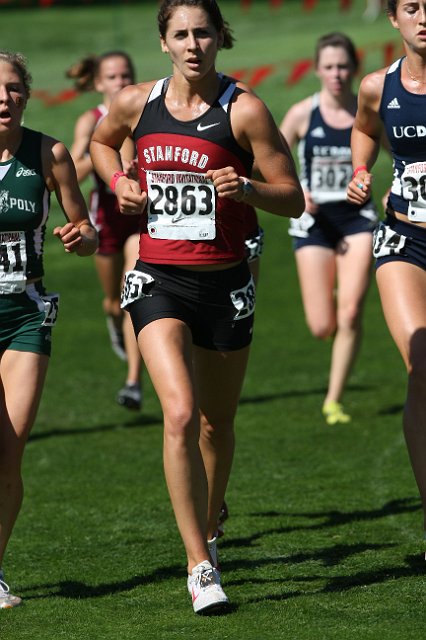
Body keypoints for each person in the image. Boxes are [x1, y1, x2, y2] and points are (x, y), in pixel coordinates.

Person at [90, 0, 304, 614]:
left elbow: (291, 198)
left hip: (226, 284)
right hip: (158, 278)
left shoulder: (246, 110)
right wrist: (120, 183)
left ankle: (211, 524)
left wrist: (250, 189)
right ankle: (199, 564)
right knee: (179, 414)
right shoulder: (137, 103)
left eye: (203, 32)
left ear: (219, 38)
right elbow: (106, 145)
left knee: (216, 422)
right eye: (180, 34)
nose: (193, 45)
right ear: (164, 43)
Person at [0, 50, 98, 608]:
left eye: (14, 88)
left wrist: (79, 239)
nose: (4, 98)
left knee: (8, 451)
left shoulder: (49, 152)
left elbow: (86, 231)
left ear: (27, 94)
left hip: (24, 316)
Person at [347, 0, 426, 551]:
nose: (425, 17)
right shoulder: (378, 86)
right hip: (404, 237)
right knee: (421, 367)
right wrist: (359, 172)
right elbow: (365, 130)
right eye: (414, 8)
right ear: (394, 20)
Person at [280, 32, 378, 426]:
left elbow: (404, 154)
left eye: (343, 66)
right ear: (317, 69)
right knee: (322, 325)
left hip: (357, 219)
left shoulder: (366, 113)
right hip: (313, 222)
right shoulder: (303, 113)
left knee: (351, 312)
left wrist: (393, 192)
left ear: (354, 68)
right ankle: (335, 293)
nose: (337, 74)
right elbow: (269, 157)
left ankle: (333, 400)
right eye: (329, 66)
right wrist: (297, 187)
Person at [66, 51, 144, 410]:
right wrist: (102, 157)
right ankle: (113, 322)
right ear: (98, 83)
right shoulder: (91, 120)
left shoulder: (147, 112)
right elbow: (75, 171)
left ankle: (133, 382)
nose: (120, 82)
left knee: (133, 297)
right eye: (112, 77)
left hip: (142, 217)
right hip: (106, 222)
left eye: (125, 75)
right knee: (114, 302)